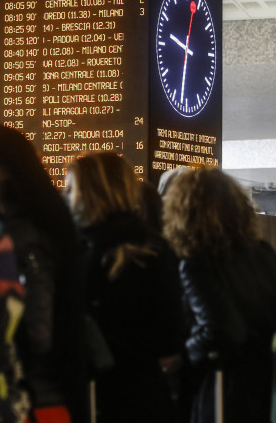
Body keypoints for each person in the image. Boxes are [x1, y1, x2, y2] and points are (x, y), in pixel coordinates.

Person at [162, 167, 276, 423]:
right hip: (273, 382)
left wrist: (183, 356)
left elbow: (219, 329)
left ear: (182, 211)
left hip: (224, 390)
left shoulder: (197, 262)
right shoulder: (260, 251)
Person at [0, 125, 87, 423]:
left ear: (2, 171)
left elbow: (36, 332)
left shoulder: (23, 237)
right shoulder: (24, 228)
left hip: (33, 400)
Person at [64, 152, 185, 423]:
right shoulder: (152, 247)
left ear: (95, 193)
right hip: (143, 396)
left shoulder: (84, 252)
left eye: (71, 189)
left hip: (111, 396)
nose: (65, 197)